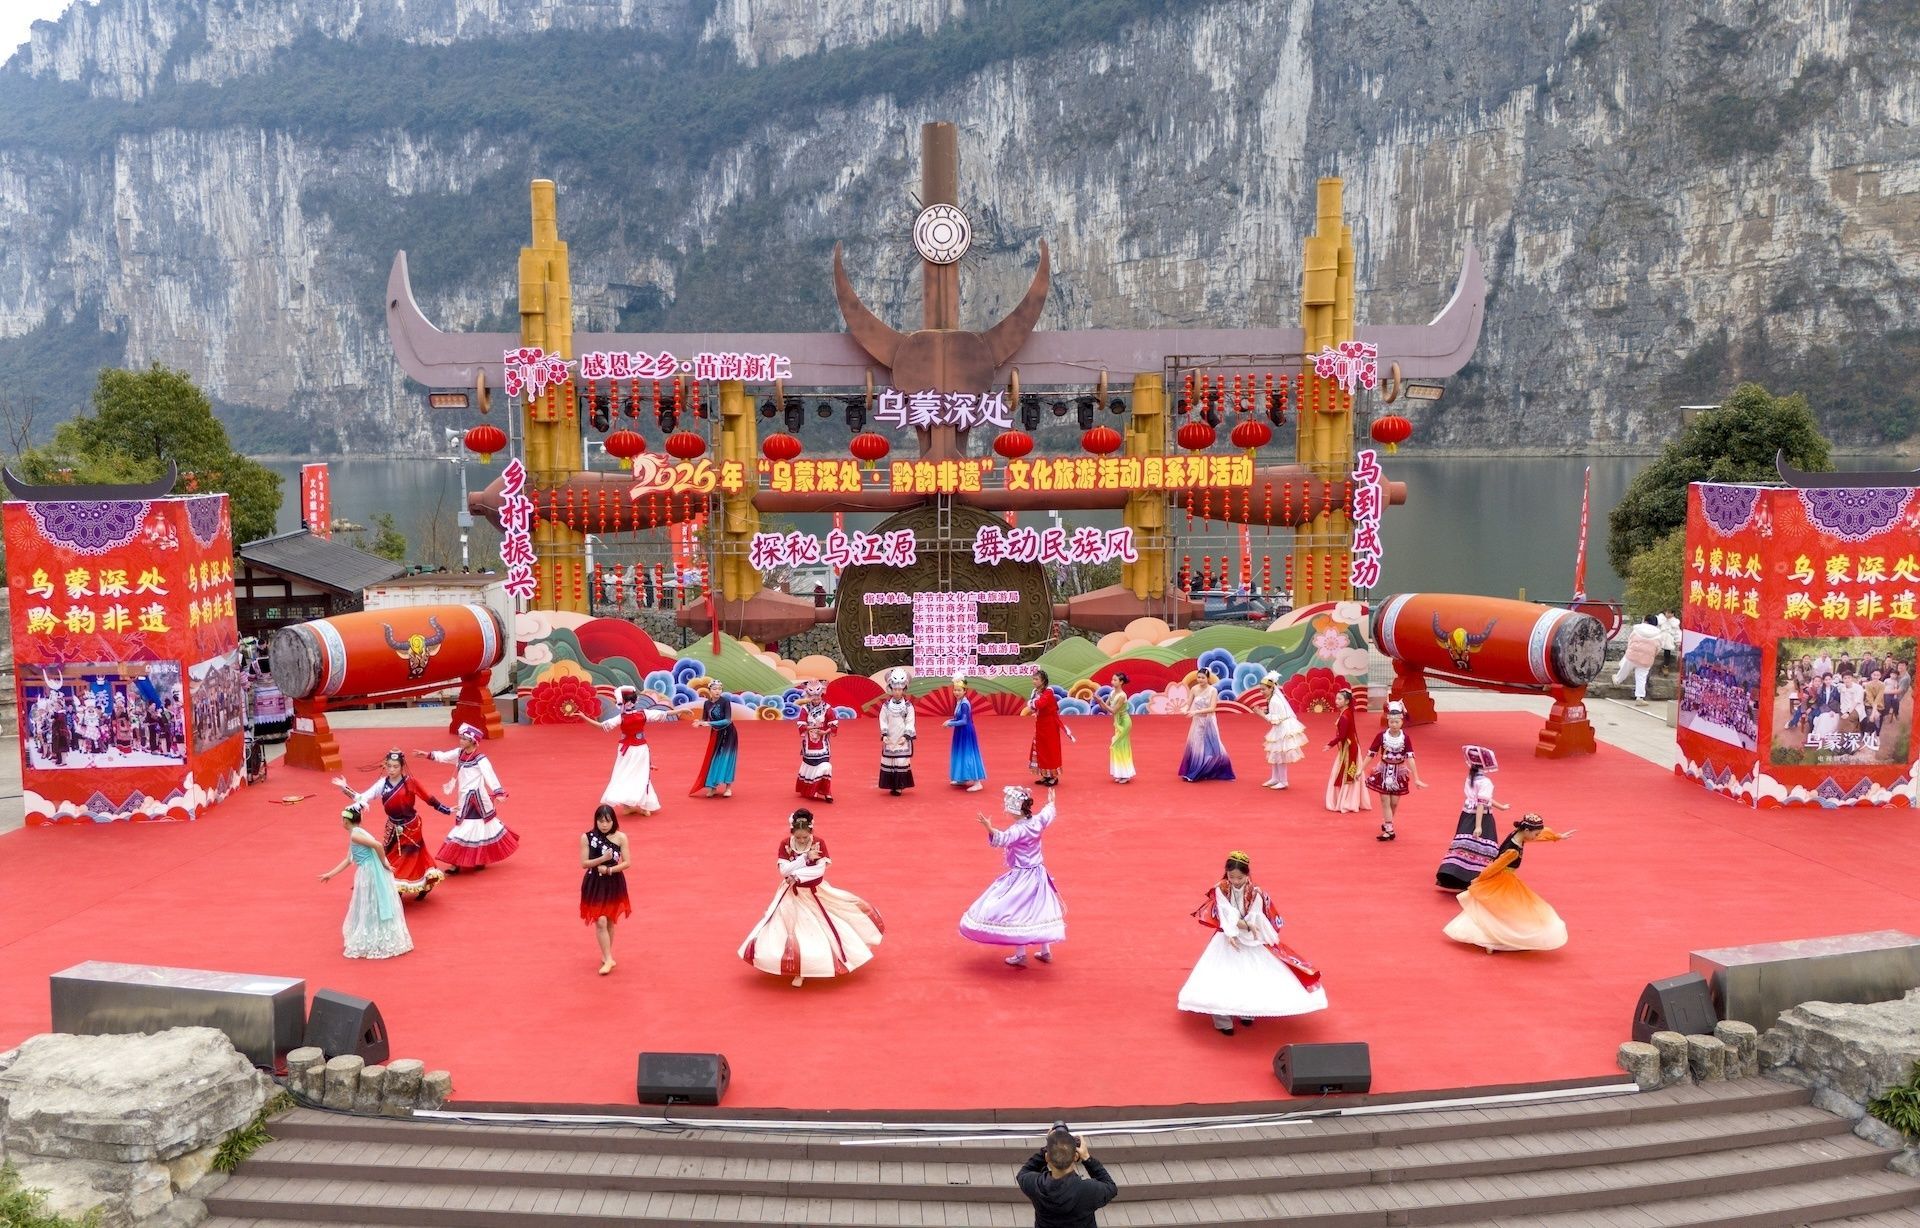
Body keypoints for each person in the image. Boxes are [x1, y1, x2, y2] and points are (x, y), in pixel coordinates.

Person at [1176, 851, 1327, 1035]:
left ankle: (1248, 1011)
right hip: (1227, 936)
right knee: (1222, 977)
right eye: (1231, 877)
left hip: (1250, 938)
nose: (1235, 881)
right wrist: (1233, 932)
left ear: (1247, 875)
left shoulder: (1256, 893)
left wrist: (1247, 927)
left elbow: (1255, 916)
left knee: (1252, 974)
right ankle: (1223, 1021)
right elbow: (1225, 912)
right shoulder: (1221, 888)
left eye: (1239, 878)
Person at [738, 809, 883, 987]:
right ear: (792, 832)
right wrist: (805, 858)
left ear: (810, 832)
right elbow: (784, 871)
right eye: (798, 837)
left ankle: (810, 966)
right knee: (790, 929)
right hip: (790, 894)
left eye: (805, 837)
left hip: (814, 893)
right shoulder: (785, 844)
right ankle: (797, 969)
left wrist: (797, 875)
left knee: (822, 927)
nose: (801, 840)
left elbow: (819, 870)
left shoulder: (819, 843)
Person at [960, 785, 1066, 967]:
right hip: (1039, 873)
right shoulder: (1037, 822)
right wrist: (1051, 802)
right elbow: (1047, 813)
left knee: (1018, 911)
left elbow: (1001, 839)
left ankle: (1021, 954)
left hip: (1022, 876)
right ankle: (1045, 950)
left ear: (1016, 811)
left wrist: (989, 828)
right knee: (1040, 909)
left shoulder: (1018, 830)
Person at [332, 750, 452, 901]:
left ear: (402, 767)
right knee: (391, 856)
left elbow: (428, 798)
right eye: (389, 766)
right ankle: (406, 885)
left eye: (395, 766)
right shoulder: (382, 784)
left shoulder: (411, 782)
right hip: (392, 826)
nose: (392, 770)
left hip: (411, 826)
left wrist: (446, 809)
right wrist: (345, 788)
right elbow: (363, 798)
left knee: (409, 857)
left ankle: (401, 887)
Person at [1443, 813, 1573, 953]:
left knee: (1493, 911)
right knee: (1508, 911)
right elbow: (1495, 867)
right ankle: (1493, 941)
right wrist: (1479, 879)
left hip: (1503, 878)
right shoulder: (1512, 851)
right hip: (1502, 880)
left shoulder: (1517, 834)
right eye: (1535, 834)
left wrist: (1555, 836)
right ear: (1527, 830)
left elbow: (1539, 834)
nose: (1536, 837)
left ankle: (1491, 941)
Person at [422, 724, 520, 871]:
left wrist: (498, 792)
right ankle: (477, 859)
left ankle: (456, 863)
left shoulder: (480, 759)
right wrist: (428, 755)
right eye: (461, 738)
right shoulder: (459, 753)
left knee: (467, 827)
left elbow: (490, 776)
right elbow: (444, 756)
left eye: (464, 738)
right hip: (464, 798)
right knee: (477, 827)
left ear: (473, 741)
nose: (460, 740)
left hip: (476, 799)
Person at [318, 806, 413, 960]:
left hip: (369, 873)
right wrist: (330, 874)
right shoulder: (357, 833)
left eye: (343, 819)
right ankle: (376, 936)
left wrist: (384, 864)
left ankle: (375, 938)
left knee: (371, 904)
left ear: (346, 821)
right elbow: (348, 860)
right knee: (371, 904)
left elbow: (378, 845)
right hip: (367, 872)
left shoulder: (356, 835)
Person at [1436, 745, 1510, 890]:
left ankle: (1454, 874)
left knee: (1463, 844)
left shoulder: (1471, 778)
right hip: (1481, 817)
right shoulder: (1485, 782)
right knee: (1482, 847)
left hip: (1466, 814)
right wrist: (1478, 825)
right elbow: (1481, 803)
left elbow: (1482, 799)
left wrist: (1501, 806)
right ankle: (1475, 878)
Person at [580, 686, 660, 817]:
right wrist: (584, 717)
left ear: (635, 701)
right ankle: (627, 805)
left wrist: (680, 710)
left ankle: (642, 804)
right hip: (626, 750)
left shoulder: (644, 713)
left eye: (631, 701)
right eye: (626, 701)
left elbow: (663, 714)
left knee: (642, 775)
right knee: (623, 774)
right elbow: (602, 726)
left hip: (641, 749)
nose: (629, 703)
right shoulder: (621, 717)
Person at [1016, 1124, 1118, 1228]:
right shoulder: (1088, 1190)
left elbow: (1023, 1173)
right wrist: (1087, 1158)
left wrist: (1050, 1146)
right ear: (1076, 1156)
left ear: (1047, 1157)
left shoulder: (1035, 1186)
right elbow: (1111, 1187)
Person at [1362, 700, 1426, 841]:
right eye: (1391, 722)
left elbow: (1410, 758)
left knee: (1394, 803)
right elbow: (1371, 753)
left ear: (1402, 722)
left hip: (1399, 772)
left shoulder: (1405, 738)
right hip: (1383, 771)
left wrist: (1416, 778)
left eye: (1397, 722)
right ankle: (1389, 829)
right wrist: (1361, 769)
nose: (1394, 725)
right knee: (1385, 801)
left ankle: (1387, 823)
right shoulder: (1381, 736)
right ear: (1388, 721)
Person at [580, 804, 631, 975]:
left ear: (613, 821)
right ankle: (609, 958)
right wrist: (602, 859)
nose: (604, 825)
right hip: (594, 882)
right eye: (600, 821)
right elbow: (584, 863)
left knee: (609, 920)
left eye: (607, 821)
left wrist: (609, 869)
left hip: (613, 882)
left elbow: (627, 862)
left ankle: (606, 954)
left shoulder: (621, 837)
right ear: (595, 821)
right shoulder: (587, 837)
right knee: (600, 920)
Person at [1177, 670, 1236, 782]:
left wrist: (1195, 712)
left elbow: (1212, 708)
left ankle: (1217, 768)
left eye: (1203, 678)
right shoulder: (1194, 689)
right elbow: (1188, 703)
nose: (1200, 680)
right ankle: (1195, 771)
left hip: (1209, 721)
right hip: (1197, 721)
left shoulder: (1213, 690)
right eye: (1198, 677)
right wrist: (1184, 709)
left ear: (1208, 678)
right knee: (1196, 744)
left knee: (1213, 744)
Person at [1323, 689, 1371, 813]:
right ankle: (1350, 799)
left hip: (1349, 750)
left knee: (1347, 773)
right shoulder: (1347, 712)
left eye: (1340, 699)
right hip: (1351, 746)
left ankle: (1346, 801)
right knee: (1351, 772)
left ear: (1347, 701)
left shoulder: (1345, 716)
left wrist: (1330, 744)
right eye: (1336, 698)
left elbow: (1342, 736)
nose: (1336, 701)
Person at [689, 678, 737, 798]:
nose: (717, 691)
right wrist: (699, 722)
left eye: (720, 689)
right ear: (709, 690)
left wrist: (708, 723)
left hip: (729, 733)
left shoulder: (725, 701)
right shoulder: (707, 703)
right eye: (715, 689)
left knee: (727, 758)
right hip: (716, 733)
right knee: (713, 759)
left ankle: (728, 787)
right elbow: (705, 719)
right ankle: (713, 787)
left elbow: (727, 720)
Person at [1259, 671, 1308, 789]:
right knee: (1275, 753)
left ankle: (1283, 780)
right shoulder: (1273, 699)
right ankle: (1275, 778)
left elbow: (1275, 720)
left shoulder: (1274, 700)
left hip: (1282, 729)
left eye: (1264, 689)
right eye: (1261, 689)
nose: (1262, 692)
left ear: (1271, 688)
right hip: (1280, 728)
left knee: (1280, 754)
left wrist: (1260, 714)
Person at [794, 679, 837, 802]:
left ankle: (827, 792)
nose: (816, 698)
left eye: (818, 696)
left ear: (821, 694)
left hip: (823, 745)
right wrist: (811, 727)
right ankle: (811, 789)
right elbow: (801, 724)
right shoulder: (805, 709)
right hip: (809, 745)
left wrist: (825, 732)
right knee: (810, 766)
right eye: (813, 696)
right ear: (809, 696)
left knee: (826, 767)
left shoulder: (827, 708)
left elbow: (833, 724)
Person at [877, 668, 917, 795]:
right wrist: (884, 734)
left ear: (904, 689)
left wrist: (906, 736)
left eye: (900, 689)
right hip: (890, 736)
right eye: (895, 689)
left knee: (901, 760)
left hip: (902, 737)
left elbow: (910, 721)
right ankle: (891, 785)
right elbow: (882, 720)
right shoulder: (886, 706)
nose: (897, 692)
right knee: (889, 760)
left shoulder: (908, 706)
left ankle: (899, 786)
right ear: (891, 689)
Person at [944, 674, 986, 792]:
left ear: (965, 691)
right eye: (955, 690)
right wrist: (950, 721)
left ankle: (977, 782)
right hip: (960, 732)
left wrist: (950, 723)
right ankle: (962, 778)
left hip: (966, 732)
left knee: (968, 754)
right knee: (960, 753)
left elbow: (964, 721)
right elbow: (958, 719)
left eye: (959, 690)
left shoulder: (964, 704)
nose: (956, 692)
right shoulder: (959, 702)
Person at [1025, 669, 1066, 786]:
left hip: (1050, 724)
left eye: (1036, 679)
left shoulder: (1048, 692)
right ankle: (1045, 775)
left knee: (1050, 749)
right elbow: (1034, 706)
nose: (1034, 681)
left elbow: (1040, 704)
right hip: (1040, 724)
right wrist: (1032, 704)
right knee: (1041, 749)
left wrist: (1031, 703)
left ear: (1043, 681)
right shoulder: (1036, 692)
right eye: (1033, 679)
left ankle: (1053, 776)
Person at [1613, 615, 1662, 704]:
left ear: (1645, 621)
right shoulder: (1658, 634)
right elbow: (1658, 648)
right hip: (1646, 659)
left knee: (1624, 669)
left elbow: (1630, 641)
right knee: (1641, 678)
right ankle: (1639, 697)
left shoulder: (1637, 629)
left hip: (1632, 655)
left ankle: (1617, 680)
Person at [1098, 672, 1135, 784]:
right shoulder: (1112, 692)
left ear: (1121, 682)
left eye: (1115, 680)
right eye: (1112, 679)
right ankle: (1120, 773)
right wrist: (1099, 701)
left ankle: (1126, 774)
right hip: (1117, 722)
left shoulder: (1122, 696)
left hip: (1124, 722)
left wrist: (1101, 702)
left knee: (1120, 746)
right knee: (1117, 747)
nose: (1112, 682)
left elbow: (1113, 710)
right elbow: (1105, 708)